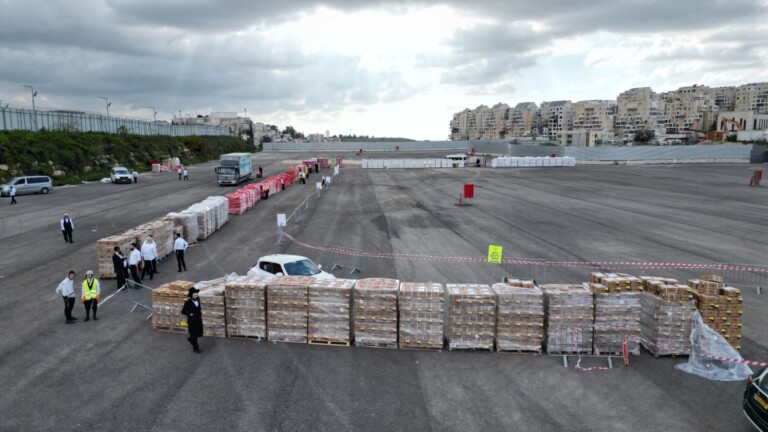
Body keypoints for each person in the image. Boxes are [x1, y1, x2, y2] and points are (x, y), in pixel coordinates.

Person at [181, 287, 203, 353]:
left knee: (199, 332)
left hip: (198, 319)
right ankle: (195, 348)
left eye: (197, 294)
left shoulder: (198, 299)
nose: (196, 295)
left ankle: (190, 339)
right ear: (191, 295)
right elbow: (183, 311)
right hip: (192, 321)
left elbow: (198, 308)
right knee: (194, 334)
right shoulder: (188, 302)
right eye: (195, 294)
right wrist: (189, 314)